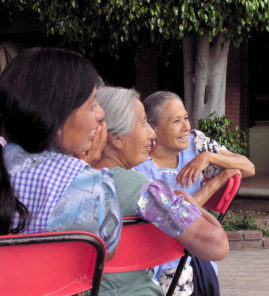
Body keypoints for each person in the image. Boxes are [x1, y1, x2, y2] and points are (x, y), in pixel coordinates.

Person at [95, 86, 229, 296]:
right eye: (143, 123)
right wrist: (193, 206)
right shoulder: (147, 192)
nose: (151, 133)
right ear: (115, 137)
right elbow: (217, 245)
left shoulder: (66, 179)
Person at [0, 47, 122, 261]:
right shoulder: (94, 188)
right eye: (92, 104)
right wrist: (88, 171)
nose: (101, 114)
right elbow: (106, 254)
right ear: (57, 118)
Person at [135, 90, 255, 295]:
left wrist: (209, 157)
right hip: (153, 251)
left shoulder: (195, 143)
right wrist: (214, 183)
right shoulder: (137, 159)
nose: (186, 127)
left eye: (186, 118)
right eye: (176, 121)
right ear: (152, 129)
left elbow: (248, 167)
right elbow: (174, 217)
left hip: (193, 250)